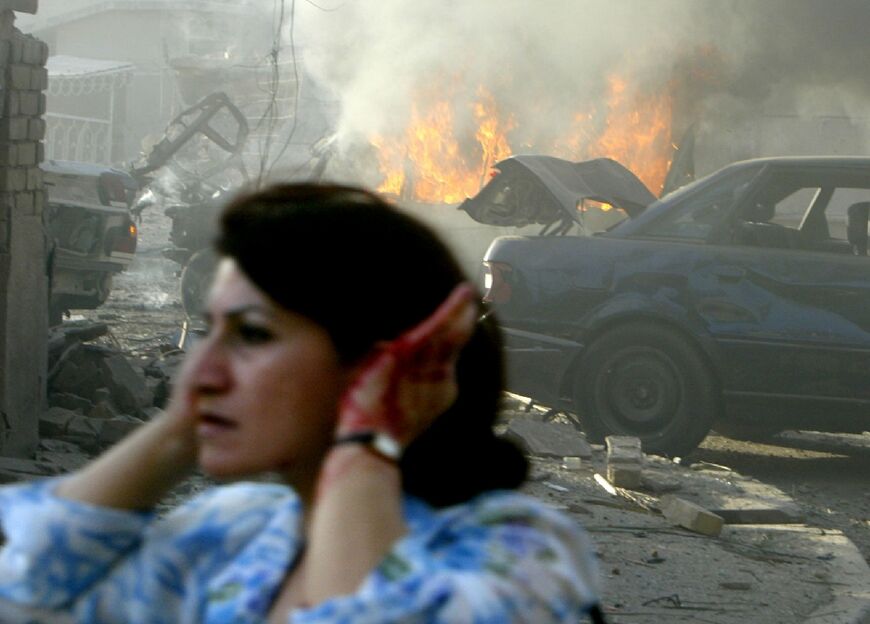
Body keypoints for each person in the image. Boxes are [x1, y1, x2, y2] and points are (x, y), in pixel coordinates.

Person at [0, 183, 601, 623]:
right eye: (211, 331)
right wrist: (179, 431)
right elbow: (19, 588)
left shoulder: (519, 558)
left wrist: (366, 446)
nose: (201, 370)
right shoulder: (237, 532)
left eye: (253, 335)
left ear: (381, 366)